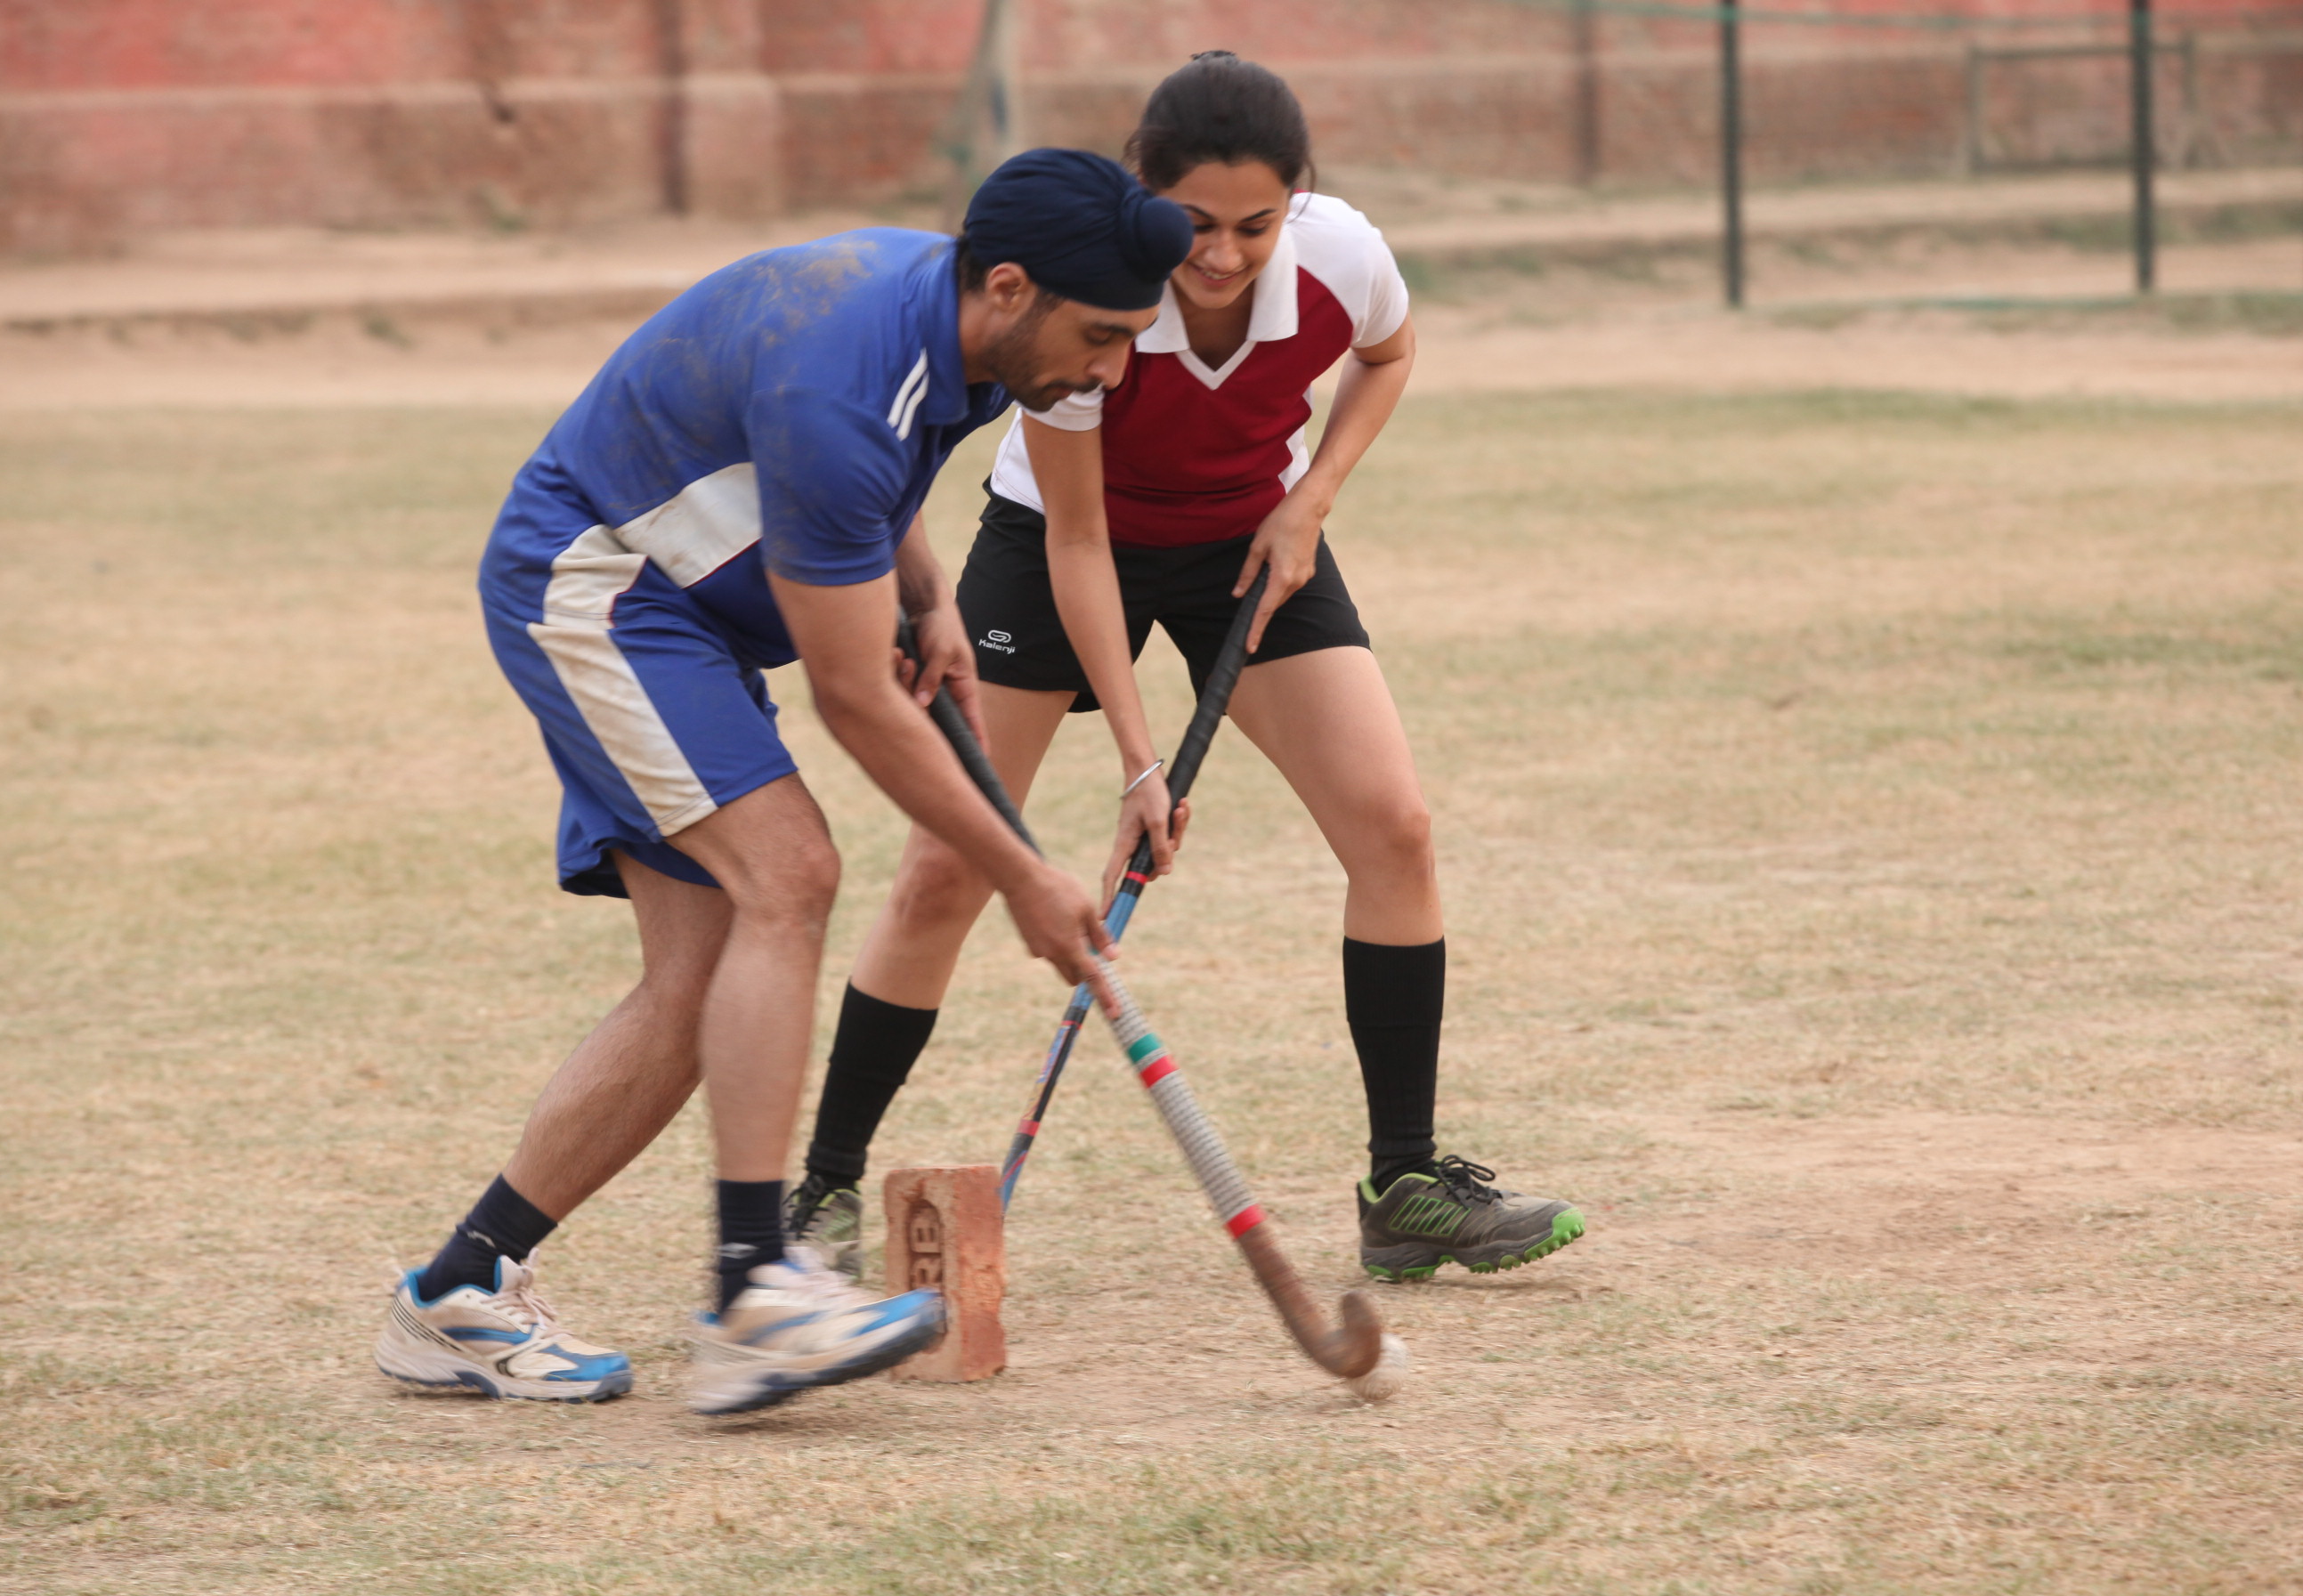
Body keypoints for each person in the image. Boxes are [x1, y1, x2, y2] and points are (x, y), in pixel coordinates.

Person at [373, 150, 1195, 1415]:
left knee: (704, 967)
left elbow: (878, 479)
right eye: (1101, 337)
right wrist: (1022, 874)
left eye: (1132, 339)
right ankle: (755, 1293)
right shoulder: (842, 375)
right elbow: (855, 697)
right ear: (1014, 287)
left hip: (684, 608)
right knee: (794, 875)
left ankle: (458, 1290)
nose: (1111, 371)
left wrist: (925, 592)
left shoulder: (962, 333)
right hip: (603, 588)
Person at [789, 54, 1585, 1285]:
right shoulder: (1095, 296)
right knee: (945, 866)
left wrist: (1312, 495)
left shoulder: (1341, 257)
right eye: (1196, 226)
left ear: (1297, 203)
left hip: (1248, 539)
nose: (1221, 256)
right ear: (1146, 197)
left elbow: (1388, 354)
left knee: (1394, 827)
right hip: (1057, 550)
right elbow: (1079, 537)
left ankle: (1406, 1183)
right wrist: (1137, 758)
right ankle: (825, 1195)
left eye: (1254, 226)